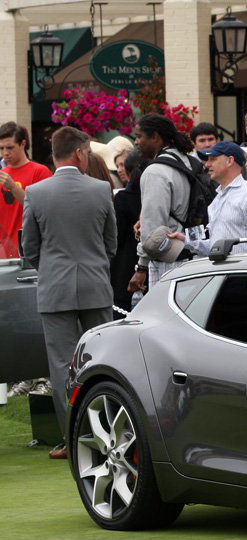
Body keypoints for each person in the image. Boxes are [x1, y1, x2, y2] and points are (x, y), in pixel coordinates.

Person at [21, 126, 116, 460]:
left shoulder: (36, 192)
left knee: (62, 367)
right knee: (104, 362)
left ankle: (71, 439)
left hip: (54, 289)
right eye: (88, 152)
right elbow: (111, 245)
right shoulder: (102, 189)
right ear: (79, 152)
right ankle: (109, 433)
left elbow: (29, 247)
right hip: (95, 286)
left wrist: (50, 270)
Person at [129, 113, 196, 294]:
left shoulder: (155, 172)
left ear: (155, 137)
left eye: (139, 136)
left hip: (167, 260)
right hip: (195, 253)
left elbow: (153, 227)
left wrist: (141, 267)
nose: (136, 142)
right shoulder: (190, 161)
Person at [168, 141, 247, 257]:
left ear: (230, 161)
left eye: (213, 159)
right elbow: (214, 246)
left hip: (241, 273)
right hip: (222, 273)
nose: (207, 164)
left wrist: (246, 274)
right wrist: (186, 240)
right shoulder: (218, 199)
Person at [0, 121, 52, 259]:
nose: (5, 153)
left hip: (32, 253)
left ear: (23, 144)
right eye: (1, 148)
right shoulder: (2, 174)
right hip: (4, 254)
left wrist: (13, 187)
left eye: (10, 147)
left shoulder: (40, 172)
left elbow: (45, 211)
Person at [112, 152, 146, 316]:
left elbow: (116, 236)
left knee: (120, 314)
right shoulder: (151, 195)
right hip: (150, 262)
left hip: (124, 265)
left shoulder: (123, 198)